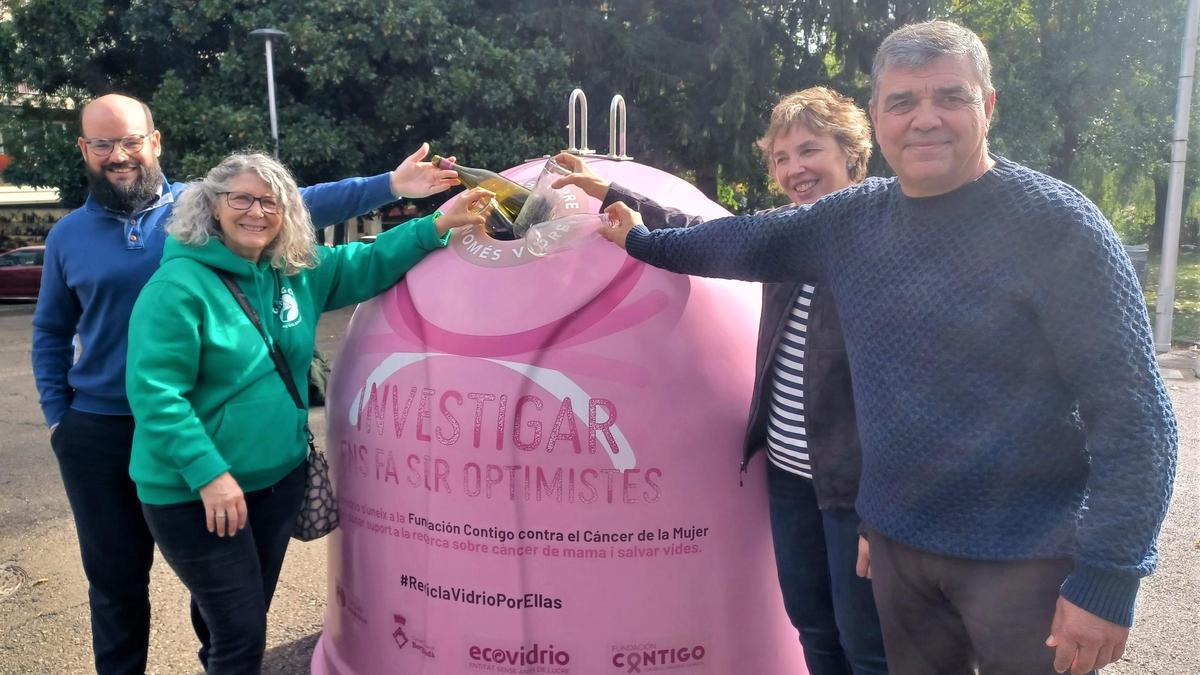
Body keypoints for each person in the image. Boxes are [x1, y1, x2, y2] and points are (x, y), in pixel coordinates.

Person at [599, 20, 1176, 675]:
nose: (924, 118)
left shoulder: (1058, 228)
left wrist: (1108, 576)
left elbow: (1138, 416)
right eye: (903, 101)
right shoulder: (853, 221)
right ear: (876, 117)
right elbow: (739, 242)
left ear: (987, 106)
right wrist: (641, 238)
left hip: (1024, 560)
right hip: (900, 554)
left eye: (949, 97)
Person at [32, 93, 459, 674]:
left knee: (229, 613)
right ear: (84, 148)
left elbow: (311, 214)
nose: (119, 153)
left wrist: (406, 197)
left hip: (233, 448)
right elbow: (56, 332)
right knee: (117, 585)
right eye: (103, 143)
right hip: (112, 427)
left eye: (130, 139)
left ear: (154, 141)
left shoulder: (250, 234)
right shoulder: (92, 244)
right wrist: (61, 419)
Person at [550, 86, 887, 675]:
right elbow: (704, 232)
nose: (794, 169)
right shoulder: (791, 230)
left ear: (852, 154)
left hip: (853, 485)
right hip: (787, 472)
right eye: (781, 158)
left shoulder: (882, 237)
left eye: (810, 150)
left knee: (868, 641)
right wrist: (611, 195)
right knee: (813, 624)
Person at [123, 152, 490, 673]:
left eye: (270, 201)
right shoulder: (176, 287)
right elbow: (157, 395)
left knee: (233, 614)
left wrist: (437, 225)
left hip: (277, 482)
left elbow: (365, 263)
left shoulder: (290, 272)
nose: (257, 212)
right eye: (242, 199)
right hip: (196, 493)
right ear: (212, 207)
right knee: (242, 632)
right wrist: (210, 475)